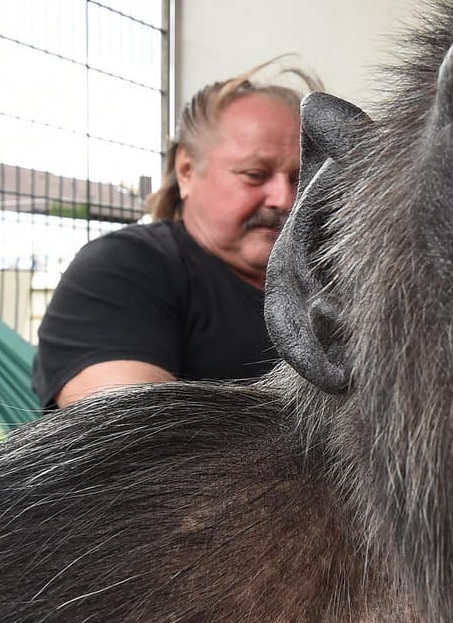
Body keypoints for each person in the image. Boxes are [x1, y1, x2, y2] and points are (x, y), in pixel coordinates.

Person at [31, 60, 320, 409]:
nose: (285, 199)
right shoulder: (123, 268)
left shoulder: (329, 284)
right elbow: (133, 440)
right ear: (186, 171)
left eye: (300, 178)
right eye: (254, 174)